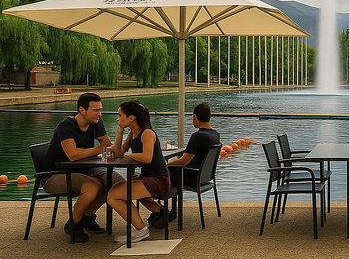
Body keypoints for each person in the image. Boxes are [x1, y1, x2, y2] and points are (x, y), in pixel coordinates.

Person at [43, 92, 123, 242]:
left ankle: (87, 216)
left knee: (114, 183)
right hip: (56, 174)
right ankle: (73, 223)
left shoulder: (96, 122)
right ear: (82, 110)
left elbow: (108, 145)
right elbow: (73, 155)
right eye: (96, 110)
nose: (99, 113)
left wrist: (119, 134)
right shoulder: (65, 126)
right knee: (92, 186)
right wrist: (99, 149)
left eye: (100, 110)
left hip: (84, 168)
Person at [142, 102, 220, 228]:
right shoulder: (215, 134)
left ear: (194, 117)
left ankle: (161, 211)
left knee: (157, 177)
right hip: (204, 176)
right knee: (168, 171)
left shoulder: (198, 136)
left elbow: (184, 161)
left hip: (190, 176)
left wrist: (165, 166)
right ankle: (167, 211)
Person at [106, 100, 170, 243]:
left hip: (159, 180)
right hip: (146, 177)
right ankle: (149, 220)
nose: (117, 118)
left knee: (113, 196)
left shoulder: (146, 133)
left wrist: (127, 156)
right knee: (114, 190)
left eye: (120, 115)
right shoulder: (132, 133)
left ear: (131, 117)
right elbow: (118, 153)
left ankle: (141, 230)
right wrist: (120, 131)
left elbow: (146, 157)